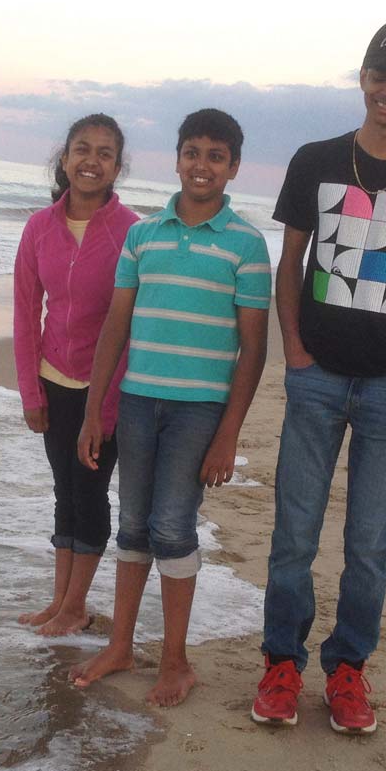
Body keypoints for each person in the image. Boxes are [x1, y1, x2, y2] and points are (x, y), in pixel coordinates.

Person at [251, 18, 386, 734]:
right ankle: (281, 663)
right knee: (294, 534)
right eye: (381, 74)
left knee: (370, 546)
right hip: (316, 377)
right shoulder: (315, 159)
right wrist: (294, 351)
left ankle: (348, 669)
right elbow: (291, 263)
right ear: (363, 77)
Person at [70, 109, 271, 706]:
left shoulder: (246, 245)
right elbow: (116, 326)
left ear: (233, 167)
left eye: (215, 155)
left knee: (172, 527)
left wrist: (228, 433)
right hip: (135, 402)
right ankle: (123, 645)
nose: (201, 165)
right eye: (192, 152)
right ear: (177, 157)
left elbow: (253, 351)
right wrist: (92, 411)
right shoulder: (144, 235)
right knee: (132, 525)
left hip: (197, 412)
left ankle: (177, 661)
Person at [13, 114, 139, 636]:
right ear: (64, 159)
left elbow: (131, 325)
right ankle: (61, 600)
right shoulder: (40, 227)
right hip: (53, 382)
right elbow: (25, 311)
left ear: (116, 167)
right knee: (65, 492)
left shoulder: (133, 232)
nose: (92, 160)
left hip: (102, 391)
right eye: (82, 149)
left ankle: (76, 606)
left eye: (104, 153)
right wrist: (30, 390)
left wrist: (105, 410)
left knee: (90, 494)